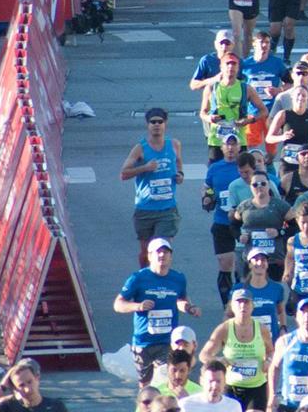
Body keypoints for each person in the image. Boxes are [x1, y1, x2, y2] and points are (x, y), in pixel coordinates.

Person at [117, 239, 204, 385]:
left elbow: (180, 301)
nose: (162, 255)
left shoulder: (178, 278)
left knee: (166, 380)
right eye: (158, 252)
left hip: (167, 341)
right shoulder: (137, 278)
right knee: (145, 386)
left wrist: (190, 308)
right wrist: (138, 306)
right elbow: (118, 304)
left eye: (166, 252)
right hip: (143, 342)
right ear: (149, 256)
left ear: (171, 256)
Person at [123, 108, 186, 266]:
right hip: (145, 209)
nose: (157, 125)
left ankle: (161, 279)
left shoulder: (174, 145)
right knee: (146, 252)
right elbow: (123, 174)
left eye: (160, 121)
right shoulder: (140, 148)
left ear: (166, 123)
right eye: (153, 122)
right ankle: (144, 278)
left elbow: (178, 161)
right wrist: (144, 168)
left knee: (162, 249)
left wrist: (180, 174)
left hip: (167, 209)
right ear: (148, 125)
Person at [200, 289, 274, 411]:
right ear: (232, 306)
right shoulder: (224, 329)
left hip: (256, 387)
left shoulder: (261, 329)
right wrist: (219, 360)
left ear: (252, 306)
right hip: (231, 388)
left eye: (246, 302)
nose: (242, 306)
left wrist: (269, 361)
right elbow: (204, 355)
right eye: (239, 302)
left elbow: (271, 351)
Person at [0, 357, 68, 412]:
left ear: (37, 378)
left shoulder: (55, 406)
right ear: (14, 388)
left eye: (30, 382)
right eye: (21, 385)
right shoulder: (9, 406)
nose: (28, 389)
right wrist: (1, 387)